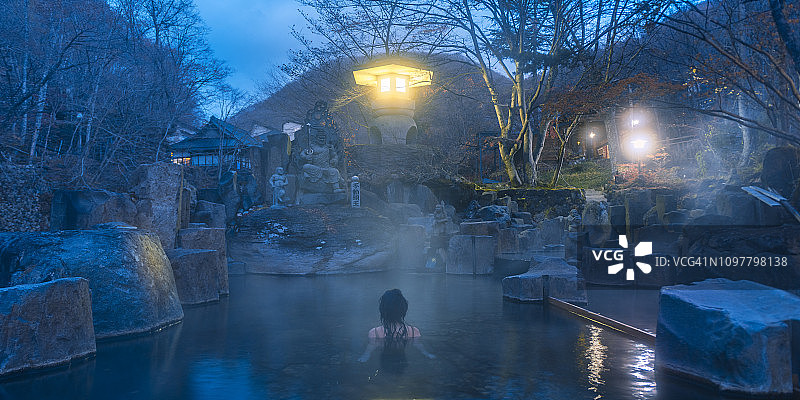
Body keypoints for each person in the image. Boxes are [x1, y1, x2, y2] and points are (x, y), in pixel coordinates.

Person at [358, 289, 434, 363]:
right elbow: (418, 344)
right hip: (402, 360)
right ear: (403, 309)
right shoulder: (413, 331)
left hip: (386, 359)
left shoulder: (375, 333)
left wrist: (365, 355)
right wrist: (426, 353)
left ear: (383, 310)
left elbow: (371, 346)